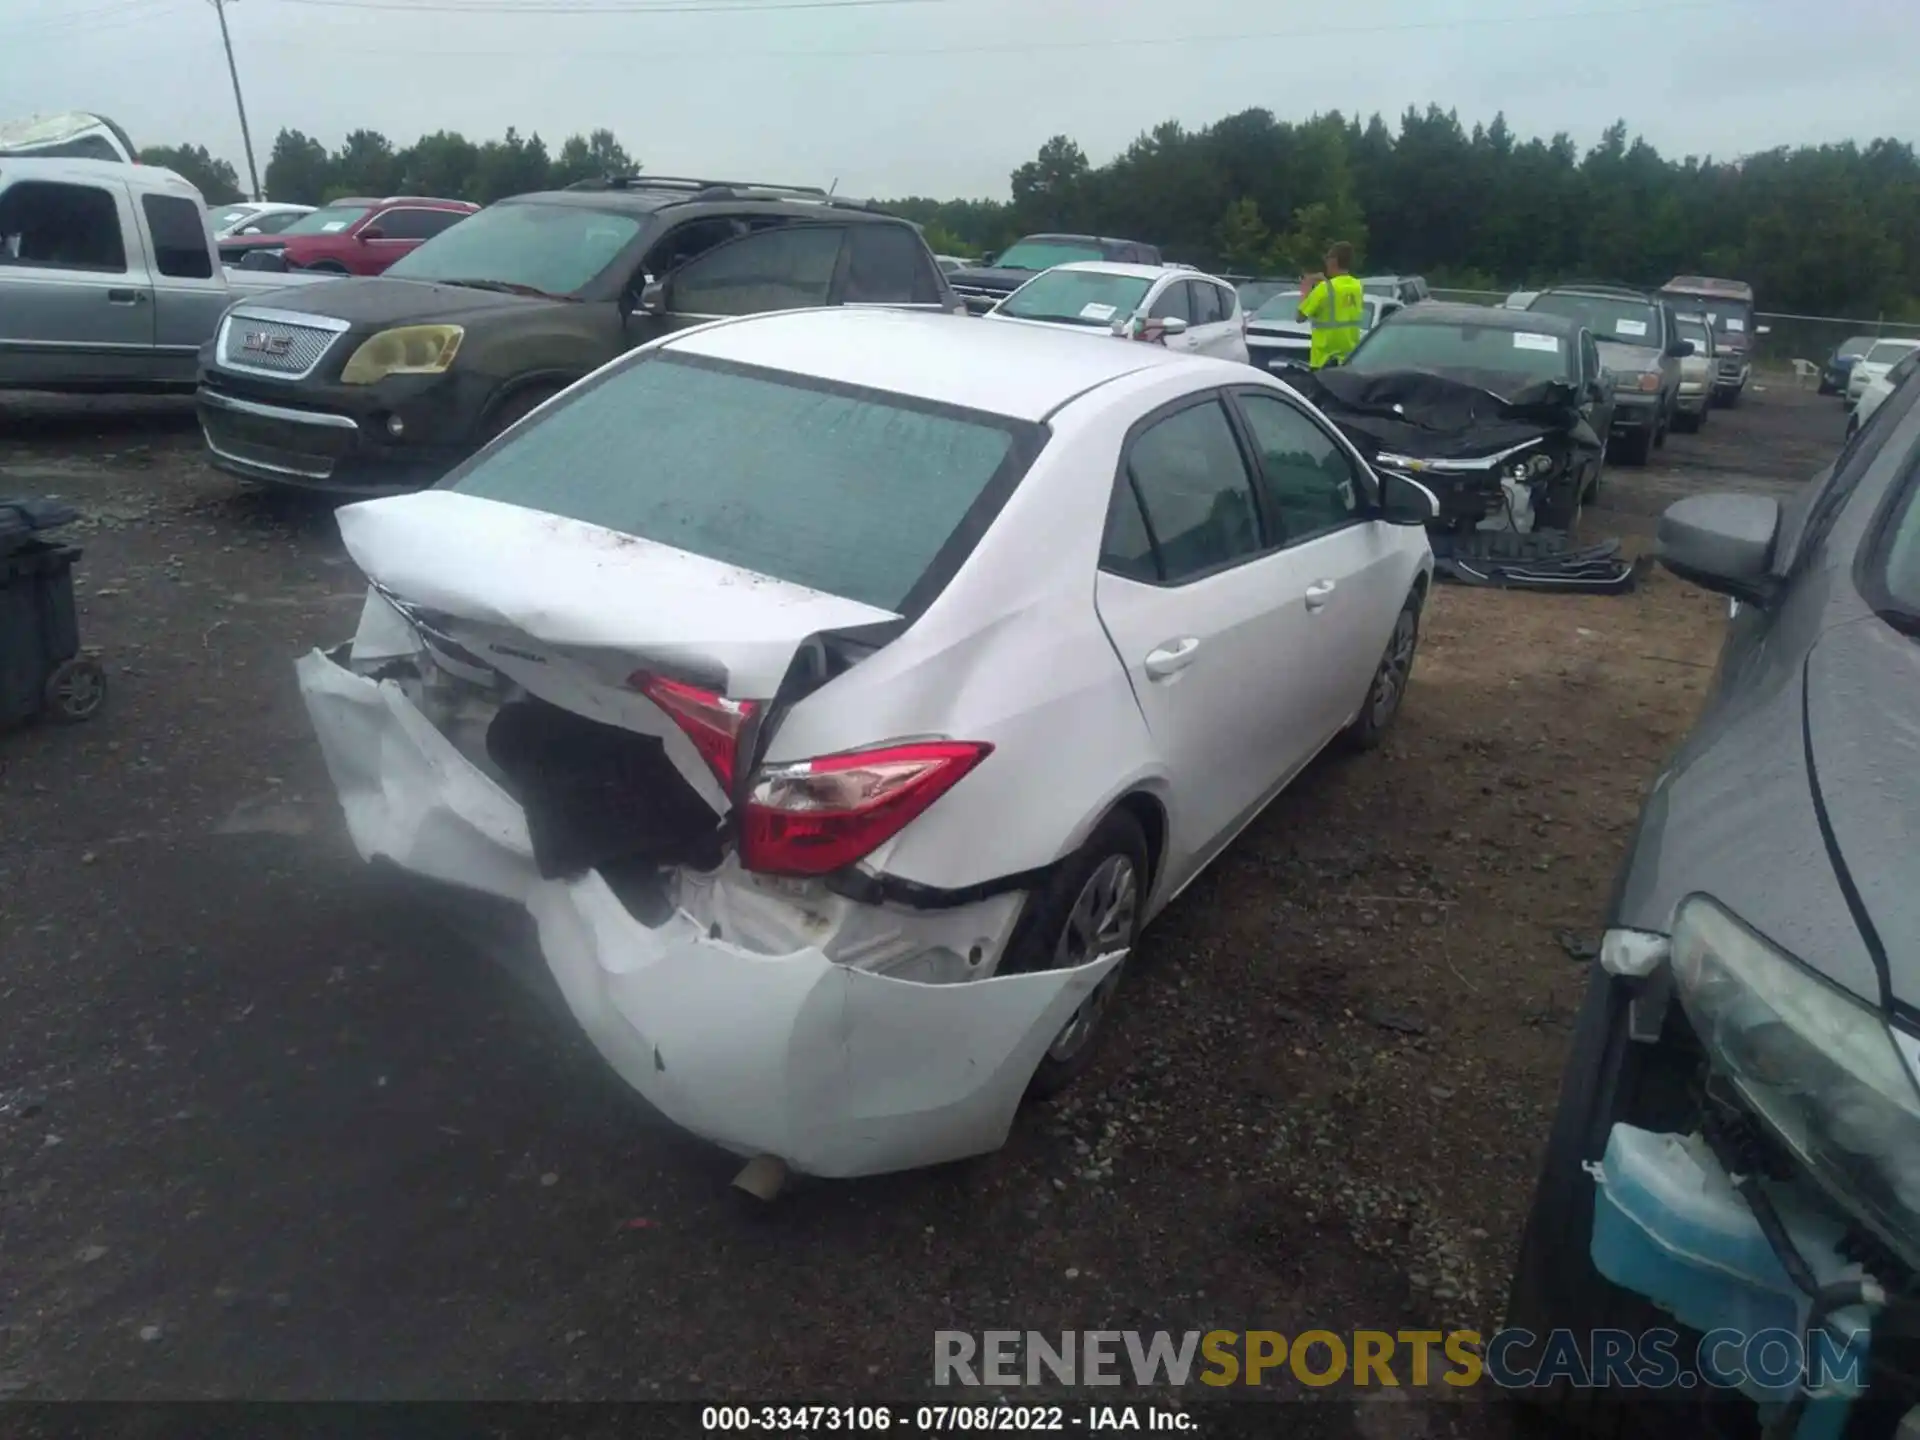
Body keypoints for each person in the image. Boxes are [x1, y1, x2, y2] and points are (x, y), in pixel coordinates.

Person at [1297, 242, 1366, 369]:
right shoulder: (1357, 286)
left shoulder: (1324, 289)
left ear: (1334, 261)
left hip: (1323, 360)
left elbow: (1300, 317)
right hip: (1349, 359)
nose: (1326, 263)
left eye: (1327, 259)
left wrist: (1306, 288)